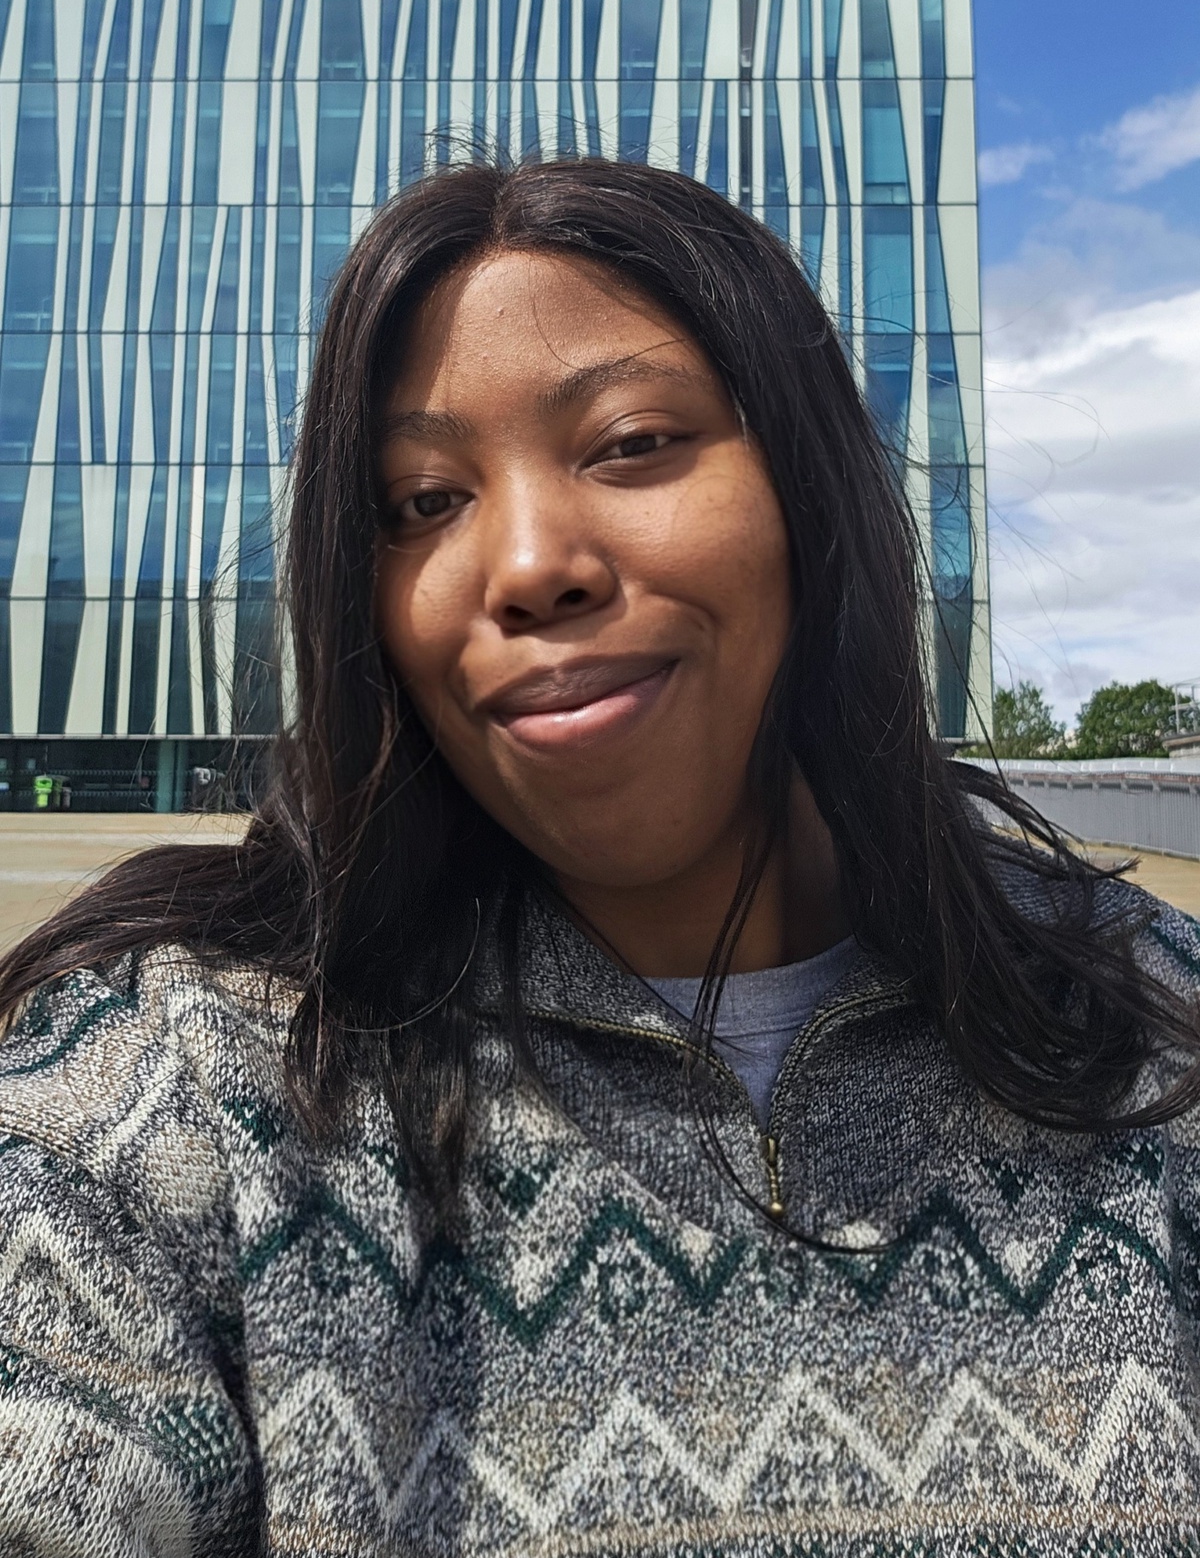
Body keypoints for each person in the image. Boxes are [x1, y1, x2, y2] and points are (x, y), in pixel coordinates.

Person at [1, 158, 1198, 1555]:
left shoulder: (1148, 1022)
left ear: (809, 494)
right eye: (421, 501)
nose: (526, 565)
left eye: (631, 443)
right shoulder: (173, 1080)